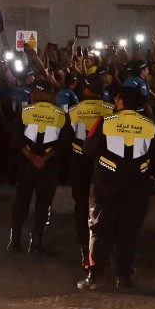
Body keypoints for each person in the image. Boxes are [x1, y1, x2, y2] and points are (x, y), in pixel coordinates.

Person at [78, 86, 155, 291]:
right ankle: (124, 277)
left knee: (99, 230)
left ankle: (95, 276)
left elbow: (88, 148)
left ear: (120, 102)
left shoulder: (105, 121)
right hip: (137, 188)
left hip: (106, 187)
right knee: (128, 233)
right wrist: (154, 176)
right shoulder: (151, 124)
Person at [8, 79, 68, 254]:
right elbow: (63, 144)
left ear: (44, 94)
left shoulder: (25, 111)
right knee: (44, 204)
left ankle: (15, 239)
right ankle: (36, 241)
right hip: (48, 166)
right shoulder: (61, 114)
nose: (31, 94)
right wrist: (44, 158)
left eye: (34, 92)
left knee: (21, 201)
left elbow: (16, 139)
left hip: (27, 165)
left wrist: (31, 157)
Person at [66, 74, 115, 269]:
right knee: (103, 208)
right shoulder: (111, 110)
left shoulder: (73, 110)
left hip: (80, 165)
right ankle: (105, 250)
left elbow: (66, 139)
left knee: (81, 208)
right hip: (104, 167)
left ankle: (85, 252)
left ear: (85, 90)